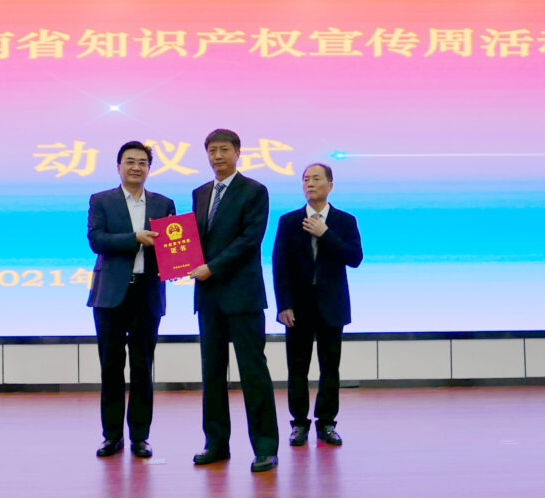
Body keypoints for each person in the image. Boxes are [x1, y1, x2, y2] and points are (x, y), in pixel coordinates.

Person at [188, 129, 279, 473]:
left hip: (243, 296)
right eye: (212, 150)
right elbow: (194, 240)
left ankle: (265, 447)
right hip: (208, 297)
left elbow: (249, 240)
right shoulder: (200, 193)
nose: (217, 156)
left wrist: (212, 267)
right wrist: (180, 261)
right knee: (211, 372)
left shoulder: (254, 191)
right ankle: (216, 444)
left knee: (253, 372)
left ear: (238, 153)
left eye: (224, 149)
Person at [87, 141, 176, 458]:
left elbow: (173, 247)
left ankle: (140, 436)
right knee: (111, 367)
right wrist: (134, 238)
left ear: (149, 168)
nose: (136, 167)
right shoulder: (101, 200)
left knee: (142, 367)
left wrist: (177, 264)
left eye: (142, 162)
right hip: (110, 295)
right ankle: (112, 436)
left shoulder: (163, 203)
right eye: (130, 161)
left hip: (146, 294)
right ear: (119, 166)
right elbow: (96, 240)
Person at [273, 163, 363, 447]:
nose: (309, 184)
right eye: (305, 180)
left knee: (330, 368)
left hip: (332, 305)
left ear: (330, 185)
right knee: (297, 368)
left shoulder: (345, 221)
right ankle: (299, 424)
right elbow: (280, 266)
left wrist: (326, 233)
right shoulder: (289, 221)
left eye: (315, 179)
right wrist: (284, 304)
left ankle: (326, 423)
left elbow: (355, 258)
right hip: (297, 308)